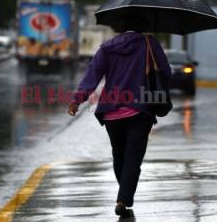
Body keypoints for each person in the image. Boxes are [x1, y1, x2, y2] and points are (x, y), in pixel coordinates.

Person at [68, 30, 171, 217]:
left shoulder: (107, 47)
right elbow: (166, 71)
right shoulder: (149, 43)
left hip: (111, 112)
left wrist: (77, 99)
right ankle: (123, 199)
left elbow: (93, 75)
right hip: (140, 108)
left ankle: (123, 195)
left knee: (119, 154)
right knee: (133, 155)